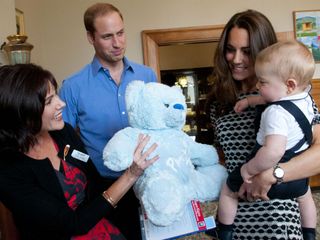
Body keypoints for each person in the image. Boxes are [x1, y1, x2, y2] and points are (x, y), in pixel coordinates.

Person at [0, 63, 159, 240]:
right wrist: (131, 174)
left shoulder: (63, 134)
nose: (61, 104)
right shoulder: (8, 171)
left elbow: (95, 181)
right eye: (49, 101)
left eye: (56, 96)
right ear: (24, 113)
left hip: (101, 226)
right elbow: (74, 224)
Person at [207, 9, 320, 240]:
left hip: (277, 218)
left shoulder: (291, 99)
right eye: (230, 50)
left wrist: (273, 174)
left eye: (246, 51)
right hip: (235, 218)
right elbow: (223, 157)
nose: (236, 59)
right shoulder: (217, 103)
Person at [58, 3, 157, 239]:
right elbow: (65, 146)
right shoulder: (73, 87)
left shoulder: (147, 76)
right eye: (107, 36)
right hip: (105, 189)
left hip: (150, 181)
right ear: (91, 38)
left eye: (121, 33)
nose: (118, 43)